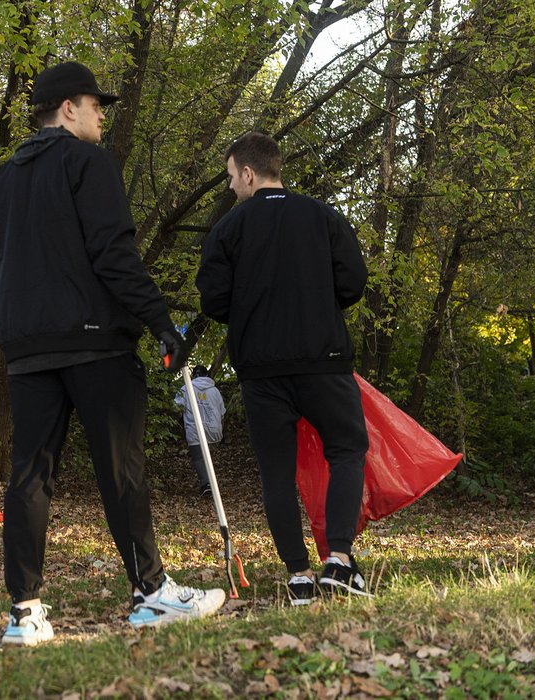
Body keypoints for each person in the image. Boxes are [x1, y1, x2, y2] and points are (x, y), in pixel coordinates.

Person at [0, 60, 225, 646]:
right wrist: (161, 323)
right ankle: (150, 594)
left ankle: (25, 613)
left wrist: (10, 329)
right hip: (93, 340)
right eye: (96, 106)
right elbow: (113, 253)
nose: (100, 117)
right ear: (69, 108)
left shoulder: (4, 178)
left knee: (30, 475)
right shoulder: (89, 162)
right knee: (120, 470)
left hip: (26, 346)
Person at [196, 132, 372, 606]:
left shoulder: (228, 230)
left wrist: (252, 311)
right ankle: (338, 559)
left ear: (249, 173)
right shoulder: (324, 217)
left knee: (276, 471)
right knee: (347, 448)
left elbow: (213, 299)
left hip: (260, 369)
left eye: (232, 177)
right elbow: (353, 282)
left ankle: (298, 577)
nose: (232, 187)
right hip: (323, 361)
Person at [174, 365, 226, 497]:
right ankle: (211, 483)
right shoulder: (215, 391)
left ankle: (206, 484)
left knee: (198, 458)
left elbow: (176, 408)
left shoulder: (186, 388)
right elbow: (222, 413)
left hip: (195, 428)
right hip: (214, 429)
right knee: (209, 457)